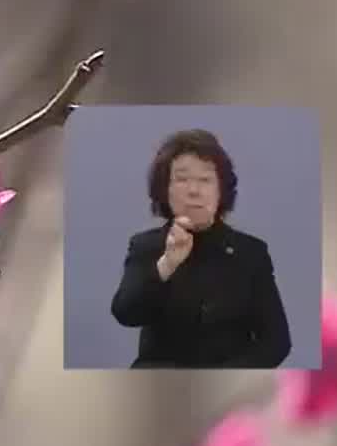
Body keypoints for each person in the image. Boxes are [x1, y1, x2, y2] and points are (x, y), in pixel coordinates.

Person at [109, 128, 292, 368]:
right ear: (165, 190)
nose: (193, 190)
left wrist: (222, 376)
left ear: (221, 191)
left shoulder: (251, 253)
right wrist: (167, 264)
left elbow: (276, 342)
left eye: (205, 180)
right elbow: (126, 313)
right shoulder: (146, 245)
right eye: (182, 179)